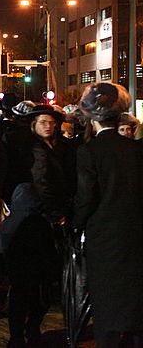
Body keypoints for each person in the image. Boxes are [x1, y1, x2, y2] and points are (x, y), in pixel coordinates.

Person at [73, 83, 143, 348]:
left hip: (104, 237)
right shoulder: (136, 150)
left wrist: (76, 223)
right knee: (135, 299)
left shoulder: (90, 151)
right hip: (135, 233)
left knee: (106, 299)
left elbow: (86, 197)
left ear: (91, 115)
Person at [0, 183, 59, 348]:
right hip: (38, 276)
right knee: (37, 305)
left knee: (17, 306)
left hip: (16, 275)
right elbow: (49, 251)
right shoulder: (41, 222)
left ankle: (16, 337)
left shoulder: (8, 223)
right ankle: (32, 331)